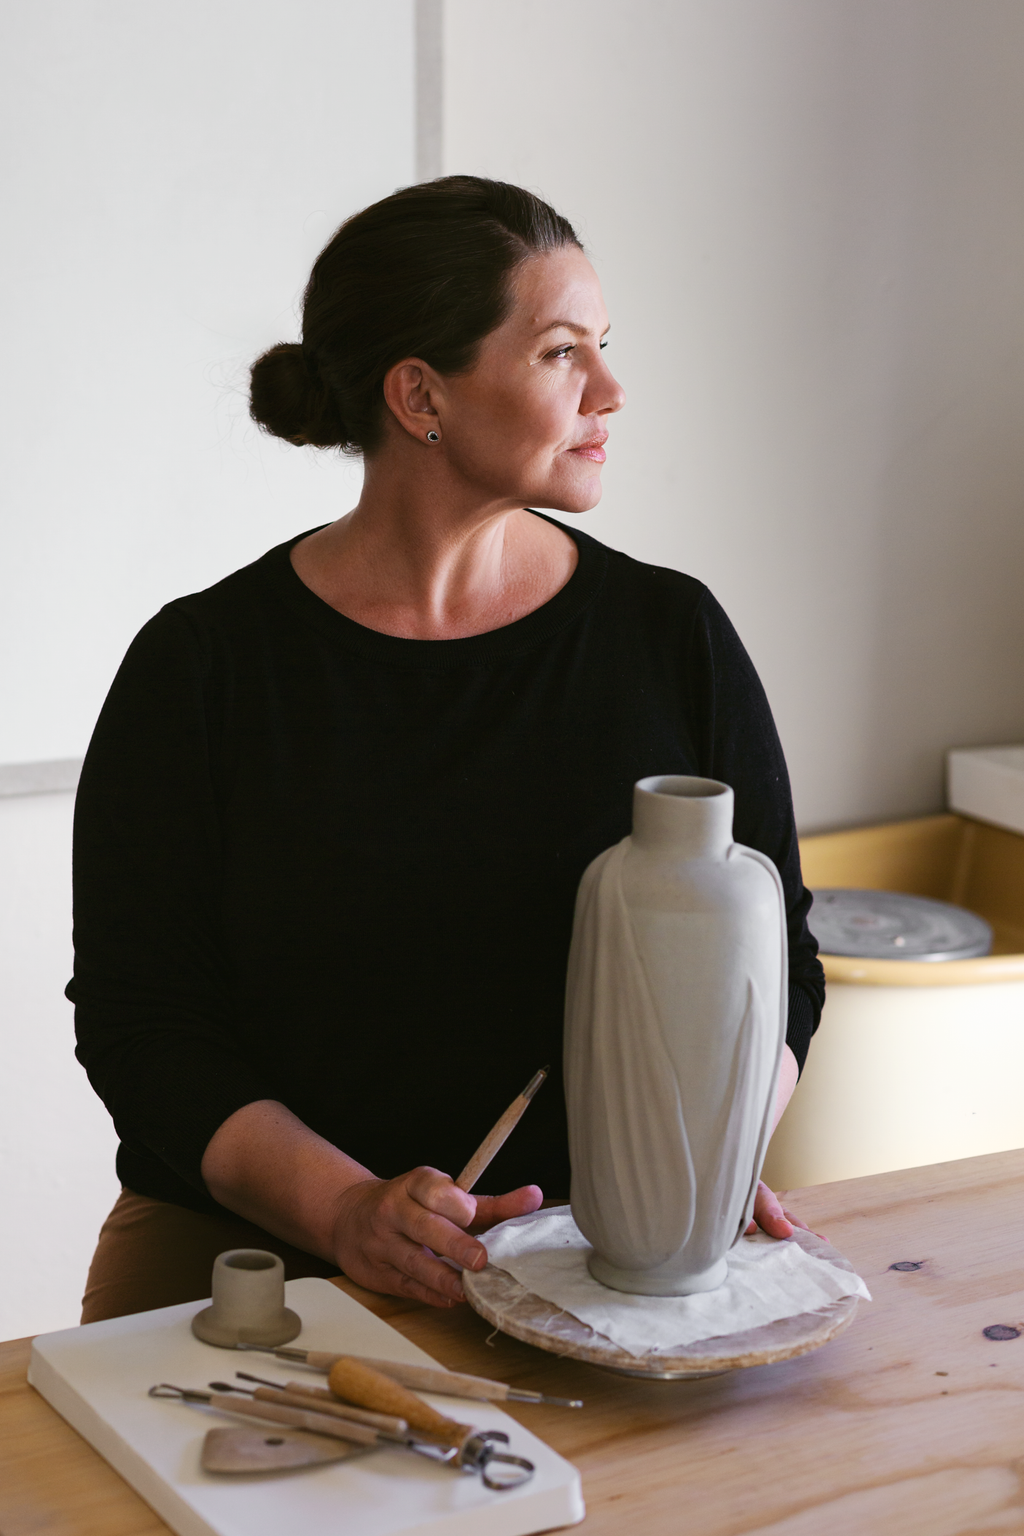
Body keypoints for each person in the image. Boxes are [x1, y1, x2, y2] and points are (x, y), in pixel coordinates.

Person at [70, 176, 825, 1323]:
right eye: (563, 353)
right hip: (250, 1267)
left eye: (604, 346)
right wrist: (345, 1211)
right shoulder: (202, 667)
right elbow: (142, 1025)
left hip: (592, 1268)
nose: (612, 390)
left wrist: (702, 1165)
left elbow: (785, 974)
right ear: (421, 395)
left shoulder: (672, 638)